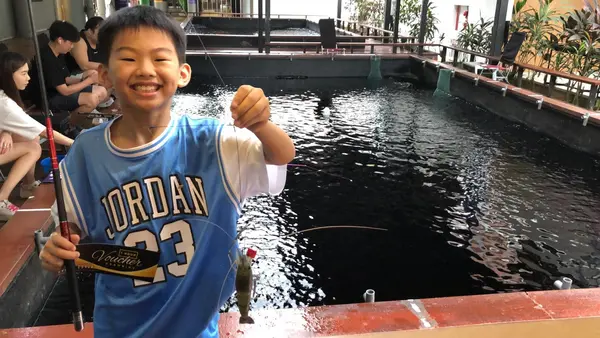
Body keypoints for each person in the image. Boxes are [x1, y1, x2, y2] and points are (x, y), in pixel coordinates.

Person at [39, 6, 295, 338]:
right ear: (103, 74)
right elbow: (72, 226)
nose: (145, 70)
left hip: (198, 331)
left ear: (183, 73)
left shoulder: (215, 142)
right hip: (118, 329)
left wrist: (261, 124)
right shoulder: (87, 151)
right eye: (129, 59)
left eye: (160, 59)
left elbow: (280, 157)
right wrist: (60, 246)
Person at [0, 51, 74, 220]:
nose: (28, 78)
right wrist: (76, 142)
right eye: (23, 74)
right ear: (7, 76)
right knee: (33, 148)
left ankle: (27, 185)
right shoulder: (5, 104)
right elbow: (44, 132)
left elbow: (10, 121)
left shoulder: (4, 97)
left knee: (29, 137)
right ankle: (1, 199)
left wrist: (6, 131)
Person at [27, 20, 108, 115]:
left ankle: (82, 115)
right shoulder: (47, 58)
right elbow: (65, 91)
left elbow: (66, 79)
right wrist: (89, 81)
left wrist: (84, 78)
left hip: (59, 91)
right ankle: (69, 124)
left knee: (102, 91)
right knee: (91, 99)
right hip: (48, 99)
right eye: (70, 43)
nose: (72, 46)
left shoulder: (59, 53)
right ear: (60, 40)